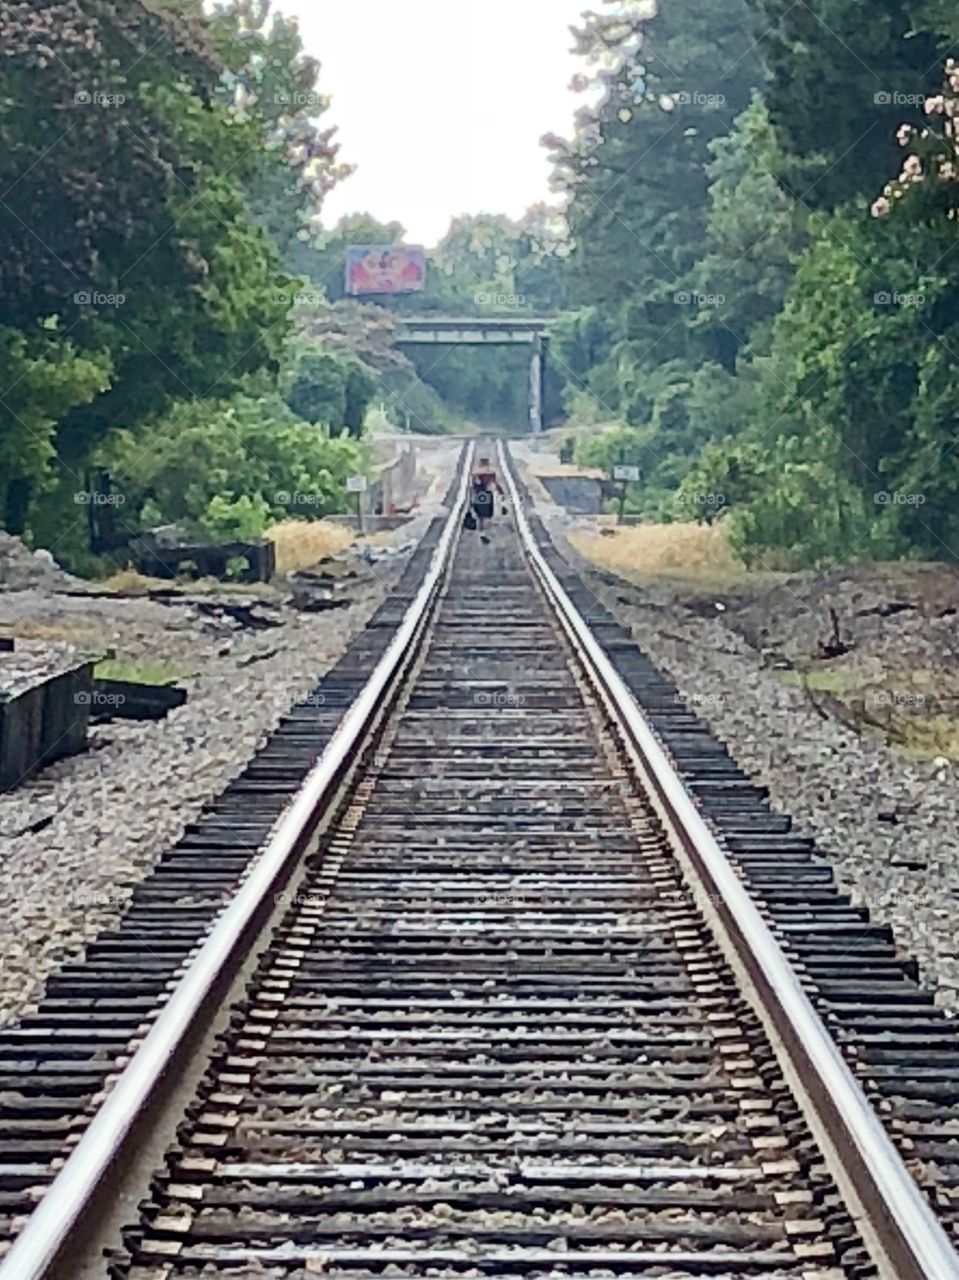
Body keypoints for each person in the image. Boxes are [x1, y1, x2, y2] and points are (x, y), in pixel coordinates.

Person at [471, 456, 505, 544]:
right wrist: (501, 493)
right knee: (486, 515)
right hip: (486, 494)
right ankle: (483, 533)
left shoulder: (476, 473)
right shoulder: (491, 473)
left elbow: (474, 486)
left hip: (480, 495)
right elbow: (494, 484)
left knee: (481, 516)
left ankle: (482, 533)